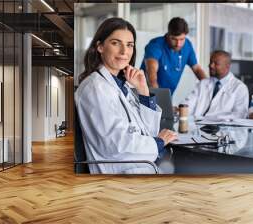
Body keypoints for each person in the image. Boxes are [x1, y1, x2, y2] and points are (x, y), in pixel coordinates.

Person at [75, 18, 177, 174]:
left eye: (129, 45)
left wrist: (143, 90)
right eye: (116, 43)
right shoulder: (95, 88)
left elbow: (148, 133)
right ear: (100, 46)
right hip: (120, 174)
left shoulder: (123, 86)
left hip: (140, 167)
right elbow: (116, 145)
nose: (124, 52)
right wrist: (159, 142)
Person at [140, 17, 206, 95]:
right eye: (174, 39)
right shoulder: (156, 45)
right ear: (168, 34)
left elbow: (197, 69)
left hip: (166, 96)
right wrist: (157, 98)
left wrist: (209, 87)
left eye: (182, 39)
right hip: (146, 94)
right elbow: (151, 74)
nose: (178, 44)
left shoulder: (187, 45)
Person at [180, 50, 249, 120]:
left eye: (216, 63)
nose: (211, 66)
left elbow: (240, 115)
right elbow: (188, 105)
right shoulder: (202, 84)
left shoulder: (239, 88)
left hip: (224, 129)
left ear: (227, 66)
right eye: (210, 62)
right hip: (198, 127)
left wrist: (212, 119)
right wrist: (178, 110)